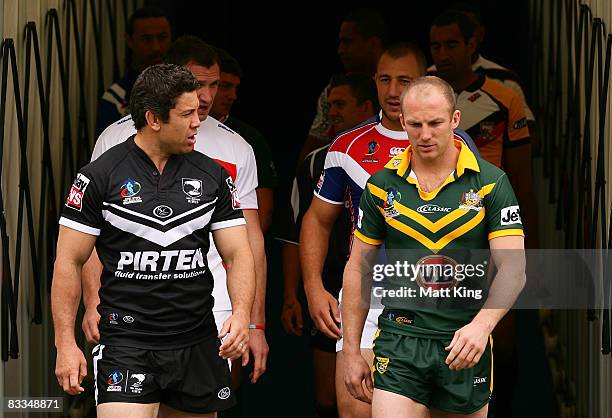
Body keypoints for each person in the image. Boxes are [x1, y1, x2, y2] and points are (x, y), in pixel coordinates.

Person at [52, 63, 255, 418]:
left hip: (196, 339)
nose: (198, 122)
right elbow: (68, 261)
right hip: (127, 342)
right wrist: (65, 343)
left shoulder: (213, 176)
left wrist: (241, 314)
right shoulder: (98, 176)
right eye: (187, 113)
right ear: (154, 119)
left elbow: (238, 253)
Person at [299, 43, 479, 418]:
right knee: (354, 408)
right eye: (385, 79)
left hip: (437, 295)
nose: (394, 90)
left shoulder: (460, 145)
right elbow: (317, 219)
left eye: (405, 80)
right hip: (367, 295)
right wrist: (314, 287)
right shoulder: (346, 146)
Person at [82, 36, 269, 385]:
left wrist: (255, 322)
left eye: (214, 85)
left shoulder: (237, 147)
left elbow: (250, 240)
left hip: (214, 307)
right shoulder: (115, 138)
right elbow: (94, 230)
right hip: (129, 308)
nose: (208, 97)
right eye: (199, 85)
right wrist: (92, 302)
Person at [342, 75, 526, 418]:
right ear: (402, 122)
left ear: (455, 120)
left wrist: (482, 326)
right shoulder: (382, 185)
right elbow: (357, 267)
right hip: (399, 340)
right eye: (415, 124)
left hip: (464, 341)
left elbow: (514, 268)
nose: (425, 134)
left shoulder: (490, 183)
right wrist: (351, 350)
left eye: (435, 123)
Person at [279, 73, 378, 418]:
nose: (333, 112)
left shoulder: (425, 149)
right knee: (332, 400)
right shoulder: (317, 161)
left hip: (401, 287)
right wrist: (298, 292)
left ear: (367, 106)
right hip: (334, 289)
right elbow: (299, 229)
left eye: (341, 104)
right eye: (329, 105)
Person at [300, 7, 388, 161]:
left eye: (348, 42)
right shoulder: (332, 91)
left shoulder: (404, 86)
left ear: (373, 44)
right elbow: (313, 147)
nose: (340, 50)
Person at [210, 47, 278, 233]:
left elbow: (263, 210)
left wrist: (245, 255)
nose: (233, 96)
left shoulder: (249, 139)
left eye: (235, 88)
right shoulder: (174, 132)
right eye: (224, 86)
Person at [95, 7, 172, 137]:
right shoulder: (117, 98)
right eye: (146, 39)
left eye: (162, 37)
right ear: (129, 40)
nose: (156, 47)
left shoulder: (185, 90)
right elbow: (106, 150)